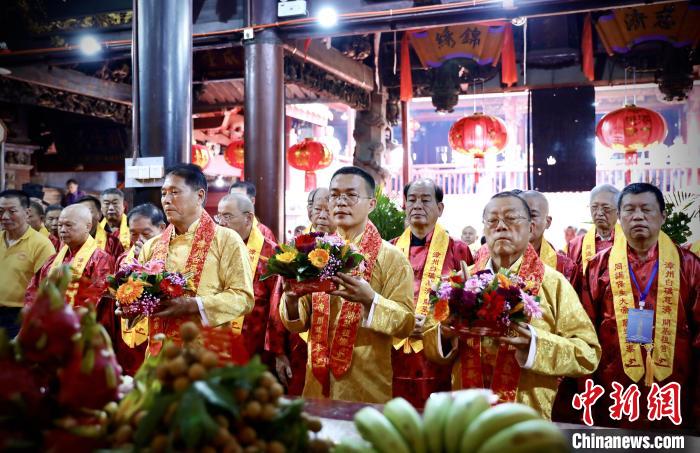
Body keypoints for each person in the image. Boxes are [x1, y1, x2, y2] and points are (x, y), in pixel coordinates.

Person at [424, 191, 600, 419]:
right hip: (467, 419)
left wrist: (536, 345)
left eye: (511, 218)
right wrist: (444, 334)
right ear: (485, 229)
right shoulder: (460, 283)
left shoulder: (553, 283)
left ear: (531, 228)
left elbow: (588, 353)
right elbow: (430, 342)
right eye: (493, 220)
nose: (501, 226)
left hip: (527, 422)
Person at [279, 166, 414, 403]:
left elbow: (406, 324)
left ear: (371, 204)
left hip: (366, 384)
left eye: (350, 195)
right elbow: (298, 323)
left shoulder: (392, 258)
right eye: (334, 195)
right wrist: (290, 299)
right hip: (316, 381)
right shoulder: (316, 254)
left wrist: (371, 299)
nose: (340, 202)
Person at [583, 183, 700, 430]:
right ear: (619, 216)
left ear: (663, 216)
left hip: (674, 388)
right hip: (614, 388)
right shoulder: (597, 267)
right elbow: (583, 331)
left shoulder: (688, 265)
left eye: (646, 209)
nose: (637, 216)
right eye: (629, 210)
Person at [138, 164, 254, 356]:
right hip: (160, 357)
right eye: (164, 193)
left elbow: (243, 298)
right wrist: (130, 304)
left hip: (207, 358)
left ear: (199, 196)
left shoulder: (225, 239)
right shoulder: (152, 246)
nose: (166, 200)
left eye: (175, 192)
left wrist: (195, 305)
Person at [390, 179, 473, 408]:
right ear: (404, 206)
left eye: (425, 200)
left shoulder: (458, 250)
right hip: (394, 352)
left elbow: (469, 303)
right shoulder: (390, 248)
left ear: (440, 208)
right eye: (412, 200)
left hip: (439, 352)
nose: (417, 205)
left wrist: (435, 327)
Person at [266, 187, 336, 395]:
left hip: (335, 340)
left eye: (329, 209)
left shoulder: (345, 250)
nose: (323, 215)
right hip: (299, 341)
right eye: (317, 209)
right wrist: (279, 352)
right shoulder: (294, 248)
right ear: (308, 211)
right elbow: (278, 298)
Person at [216, 193, 279, 363]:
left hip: (257, 346)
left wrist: (278, 351)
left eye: (227, 216)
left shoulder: (271, 254)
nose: (221, 223)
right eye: (219, 216)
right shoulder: (214, 248)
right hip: (219, 342)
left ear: (248, 218)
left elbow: (277, 307)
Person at [111, 203, 166, 376]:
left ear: (162, 228)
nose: (139, 239)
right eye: (133, 233)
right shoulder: (123, 258)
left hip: (158, 332)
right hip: (127, 332)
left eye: (146, 233)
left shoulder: (171, 256)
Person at [25, 204, 114, 309]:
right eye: (60, 225)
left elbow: (97, 296)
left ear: (88, 226)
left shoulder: (100, 259)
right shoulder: (53, 260)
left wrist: (65, 317)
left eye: (68, 225)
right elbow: (34, 290)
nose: (62, 230)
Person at [0, 190, 55, 337]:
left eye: (12, 211)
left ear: (27, 212)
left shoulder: (42, 245)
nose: (5, 217)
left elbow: (45, 289)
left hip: (19, 317)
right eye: (1, 211)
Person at [520, 191, 576, 282]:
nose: (526, 221)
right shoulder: (499, 260)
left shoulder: (565, 266)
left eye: (533, 215)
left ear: (548, 222)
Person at [566, 184, 621, 276]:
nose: (599, 213)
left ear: (618, 210)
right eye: (594, 207)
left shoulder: (630, 242)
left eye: (606, 208)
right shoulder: (576, 245)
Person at [78, 195, 125, 260]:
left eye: (88, 211)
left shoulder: (112, 243)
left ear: (99, 214)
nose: (83, 216)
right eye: (80, 213)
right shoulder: (71, 242)